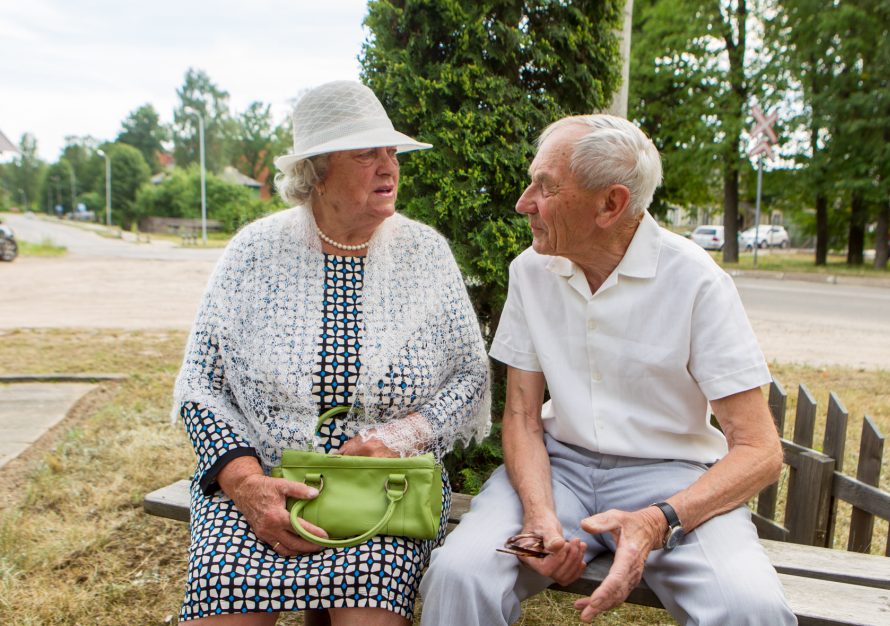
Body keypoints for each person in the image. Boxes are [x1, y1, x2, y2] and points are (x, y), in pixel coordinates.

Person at [419, 114, 796, 625]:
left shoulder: (697, 281)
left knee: (749, 609)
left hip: (672, 479)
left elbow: (760, 451)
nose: (523, 202)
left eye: (545, 187)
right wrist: (540, 515)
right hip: (557, 470)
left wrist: (657, 521)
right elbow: (524, 415)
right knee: (459, 575)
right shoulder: (530, 270)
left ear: (611, 204)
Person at [173, 80, 490, 625]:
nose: (388, 166)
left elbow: (470, 376)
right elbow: (201, 384)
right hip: (266, 482)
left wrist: (400, 436)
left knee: (364, 616)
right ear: (317, 172)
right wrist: (247, 484)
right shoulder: (253, 253)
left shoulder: (426, 255)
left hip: (385, 493)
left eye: (391, 152)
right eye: (367, 153)